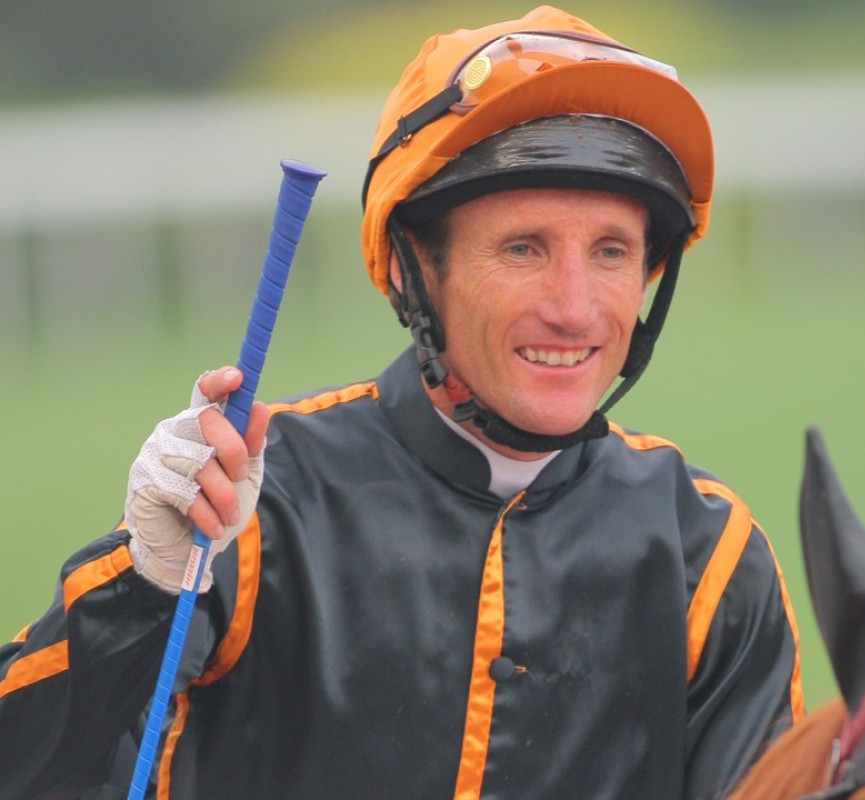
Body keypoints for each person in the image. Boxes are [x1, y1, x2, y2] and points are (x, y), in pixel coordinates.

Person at [0, 6, 804, 799]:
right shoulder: (258, 502)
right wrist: (142, 584)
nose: (575, 306)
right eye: (523, 248)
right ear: (416, 267)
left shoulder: (711, 558)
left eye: (611, 253)